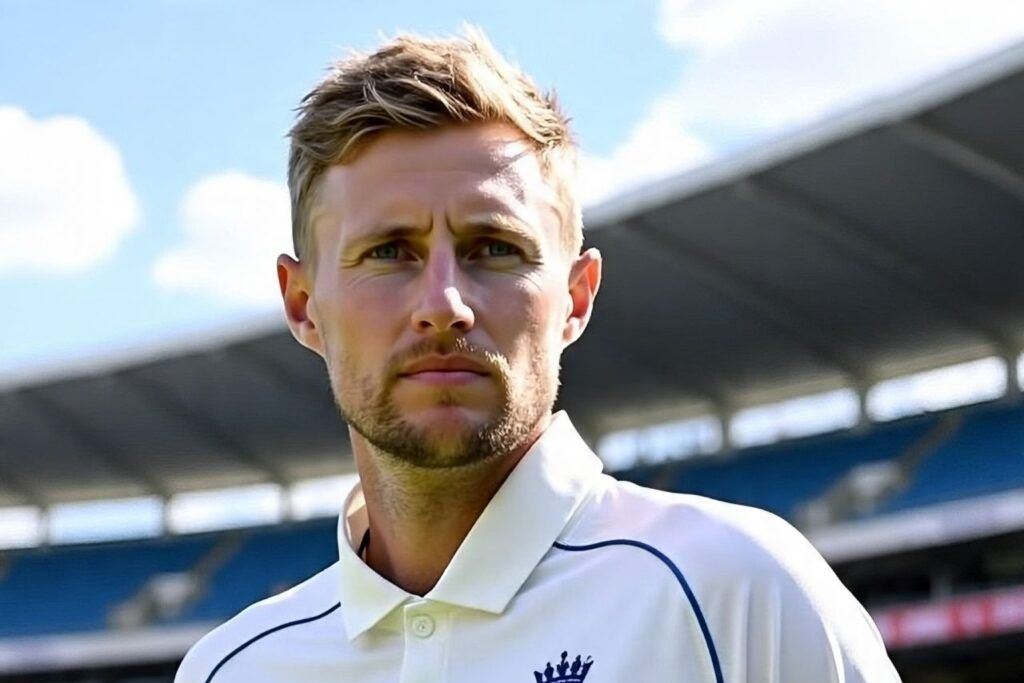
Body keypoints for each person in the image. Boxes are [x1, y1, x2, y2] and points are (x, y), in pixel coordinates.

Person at [175, 27, 901, 683]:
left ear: (576, 297)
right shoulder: (232, 669)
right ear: (303, 304)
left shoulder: (736, 590)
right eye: (388, 251)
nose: (444, 303)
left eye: (495, 249)